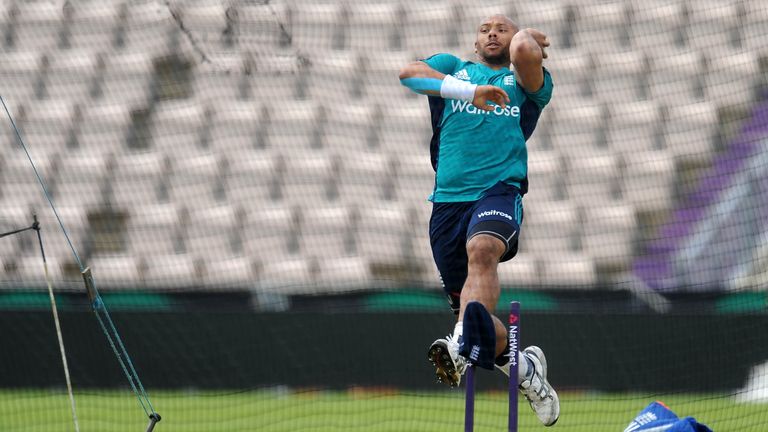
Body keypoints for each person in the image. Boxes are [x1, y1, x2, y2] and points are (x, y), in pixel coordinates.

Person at [398, 15, 559, 426]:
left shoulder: (526, 85)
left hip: (498, 192)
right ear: (474, 43)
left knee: (482, 249)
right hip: (447, 204)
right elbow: (409, 73)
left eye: (502, 28)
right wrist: (471, 91)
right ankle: (524, 370)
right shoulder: (454, 69)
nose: (492, 33)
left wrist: (525, 40)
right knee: (476, 324)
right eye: (485, 28)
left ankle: (458, 346)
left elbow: (524, 51)